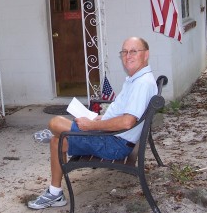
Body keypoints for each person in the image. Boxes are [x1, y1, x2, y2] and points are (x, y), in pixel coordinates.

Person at [28, 36, 158, 210]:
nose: (128, 56)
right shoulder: (138, 79)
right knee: (57, 141)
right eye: (124, 52)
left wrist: (91, 126)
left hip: (114, 144)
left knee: (55, 122)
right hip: (114, 137)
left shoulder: (142, 83)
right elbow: (124, 114)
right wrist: (100, 118)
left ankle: (54, 188)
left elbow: (127, 122)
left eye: (134, 51)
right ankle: (55, 193)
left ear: (146, 54)